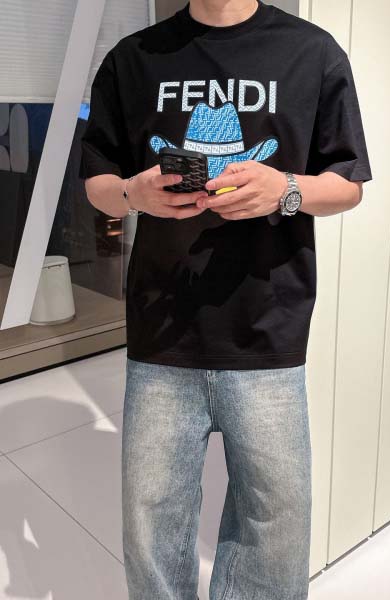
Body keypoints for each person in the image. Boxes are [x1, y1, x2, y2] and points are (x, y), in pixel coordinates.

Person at [79, 1, 372, 598]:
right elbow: (98, 183)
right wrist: (134, 194)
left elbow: (347, 185)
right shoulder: (132, 59)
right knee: (151, 531)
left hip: (270, 325)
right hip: (162, 328)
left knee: (277, 530)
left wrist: (284, 190)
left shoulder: (312, 53)